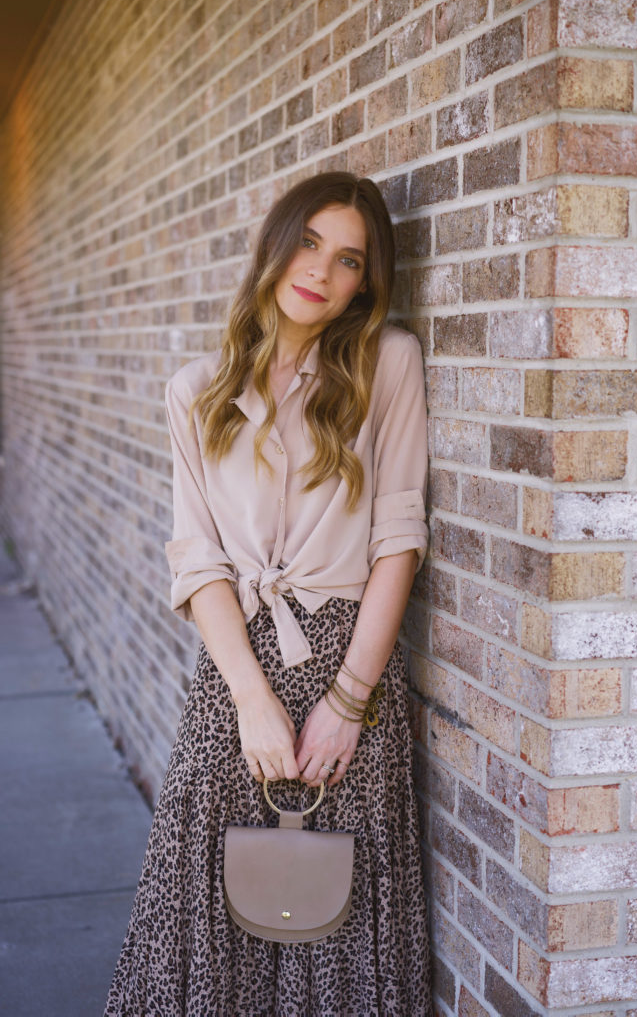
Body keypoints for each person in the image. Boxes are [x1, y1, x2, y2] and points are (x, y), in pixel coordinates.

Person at [104, 171, 432, 1016]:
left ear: (367, 282)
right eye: (310, 243)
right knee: (207, 919)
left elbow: (397, 539)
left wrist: (348, 700)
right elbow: (198, 559)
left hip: (345, 673)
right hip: (235, 676)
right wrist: (250, 700)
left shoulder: (384, 365)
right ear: (277, 244)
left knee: (342, 920)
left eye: (349, 259)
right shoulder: (196, 392)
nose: (322, 270)